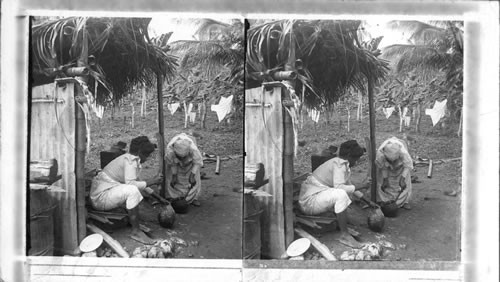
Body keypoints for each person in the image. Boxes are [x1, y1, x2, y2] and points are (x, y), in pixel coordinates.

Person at [90, 136, 163, 244]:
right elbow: (132, 184)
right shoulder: (131, 161)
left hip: (105, 193)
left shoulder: (128, 158)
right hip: (100, 198)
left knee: (133, 190)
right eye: (146, 156)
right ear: (139, 152)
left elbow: (138, 180)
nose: (146, 159)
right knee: (132, 191)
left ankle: (133, 223)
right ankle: (135, 232)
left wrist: (158, 197)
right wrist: (152, 181)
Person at [298, 140, 370, 248]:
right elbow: (340, 187)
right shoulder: (339, 165)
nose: (357, 162)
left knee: (343, 193)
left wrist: (367, 201)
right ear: (349, 156)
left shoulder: (339, 163)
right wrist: (362, 185)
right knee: (341, 194)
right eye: (356, 159)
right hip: (309, 202)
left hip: (315, 197)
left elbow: (349, 185)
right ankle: (344, 235)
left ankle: (342, 227)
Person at [164, 133, 203, 207]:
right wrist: (174, 175)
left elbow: (197, 162)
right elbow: (172, 163)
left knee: (194, 180)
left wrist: (192, 175)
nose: (181, 159)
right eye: (179, 157)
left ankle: (194, 198)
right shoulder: (170, 150)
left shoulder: (193, 149)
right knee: (172, 179)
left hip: (191, 164)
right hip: (175, 164)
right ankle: (173, 197)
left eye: (183, 157)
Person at [374, 136, 413, 210]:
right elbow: (382, 167)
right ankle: (384, 201)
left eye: (394, 161)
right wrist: (385, 179)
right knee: (383, 183)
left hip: (401, 168)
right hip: (386, 168)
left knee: (405, 183)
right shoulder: (380, 154)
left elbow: (407, 165)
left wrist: (402, 179)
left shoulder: (403, 152)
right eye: (390, 160)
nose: (392, 163)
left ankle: (404, 202)